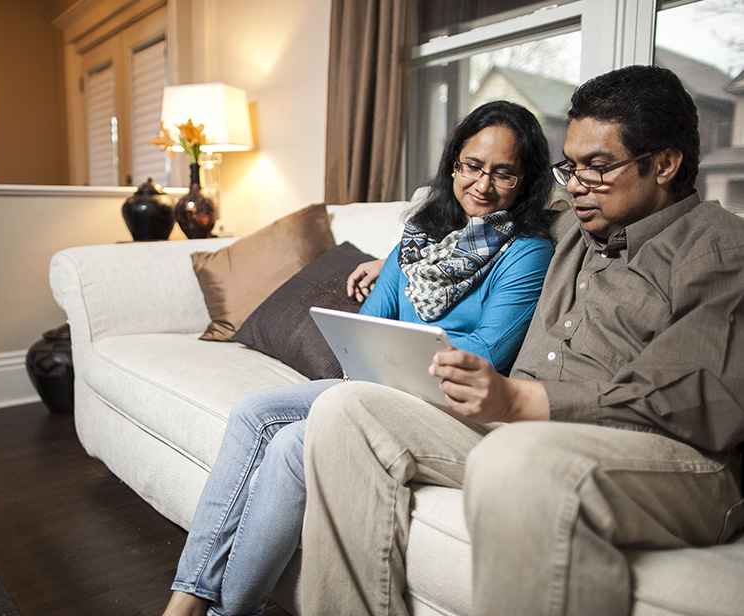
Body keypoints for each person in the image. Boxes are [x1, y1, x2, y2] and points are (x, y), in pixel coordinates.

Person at [299, 64, 744, 616]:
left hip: (673, 461)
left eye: (599, 168)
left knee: (518, 457)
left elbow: (697, 398)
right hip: (524, 427)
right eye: (571, 167)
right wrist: (391, 260)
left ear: (666, 164)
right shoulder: (570, 226)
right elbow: (471, 226)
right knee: (347, 408)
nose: (577, 184)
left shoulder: (719, 246)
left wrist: (520, 400)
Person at [162, 100, 557, 616]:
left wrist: (392, 354)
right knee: (251, 412)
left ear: (525, 181)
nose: (482, 184)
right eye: (472, 166)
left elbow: (485, 353)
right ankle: (188, 599)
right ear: (453, 164)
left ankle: (226, 612)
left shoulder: (526, 252)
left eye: (503, 173)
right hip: (377, 382)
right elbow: (374, 316)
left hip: (442, 404)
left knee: (289, 443)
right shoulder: (422, 232)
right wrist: (368, 349)